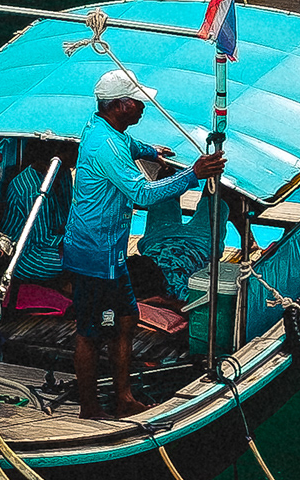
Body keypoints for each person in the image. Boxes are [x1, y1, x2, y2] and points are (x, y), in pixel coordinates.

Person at [63, 69, 224, 420]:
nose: (143, 108)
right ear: (120, 105)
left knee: (126, 320)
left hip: (112, 253)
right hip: (94, 256)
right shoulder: (105, 145)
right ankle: (89, 408)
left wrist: (151, 150)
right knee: (90, 333)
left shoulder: (106, 129)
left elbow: (130, 145)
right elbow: (142, 193)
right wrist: (193, 174)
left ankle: (123, 397)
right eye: (138, 103)